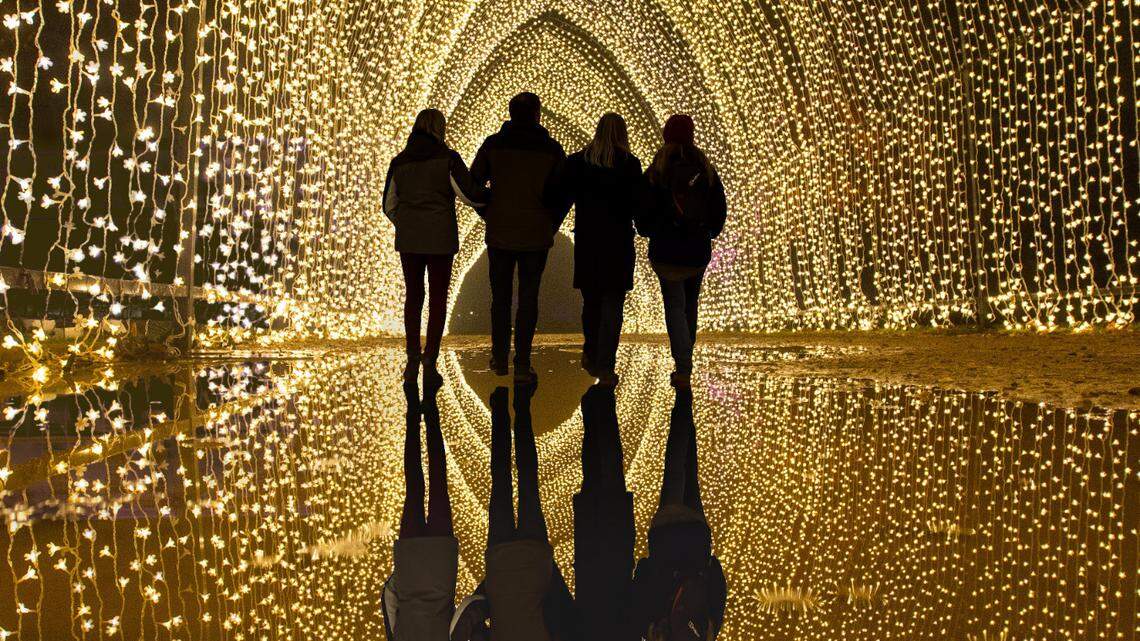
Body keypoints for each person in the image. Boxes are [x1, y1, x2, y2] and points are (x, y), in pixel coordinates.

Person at [450, 386, 578, 641]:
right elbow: (476, 633)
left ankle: (521, 405)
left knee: (528, 483)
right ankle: (500, 408)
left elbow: (564, 616)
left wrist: (549, 569)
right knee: (501, 484)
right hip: (503, 571)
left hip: (533, 563)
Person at [471, 93, 568, 385]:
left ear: (511, 114)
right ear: (538, 115)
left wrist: (489, 211)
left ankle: (500, 358)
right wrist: (551, 222)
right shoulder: (551, 149)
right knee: (528, 297)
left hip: (500, 232)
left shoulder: (493, 145)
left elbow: (473, 183)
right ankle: (523, 362)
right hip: (536, 233)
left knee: (499, 296)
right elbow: (562, 192)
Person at [384, 108, 485, 387]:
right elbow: (468, 195)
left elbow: (389, 204)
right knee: (438, 298)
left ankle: (412, 354)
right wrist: (492, 199)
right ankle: (431, 357)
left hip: (410, 240)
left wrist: (407, 222)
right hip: (440, 239)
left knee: (414, 295)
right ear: (439, 129)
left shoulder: (399, 162)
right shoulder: (447, 159)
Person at [544, 114, 643, 387]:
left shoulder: (578, 162)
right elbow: (638, 206)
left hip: (589, 242)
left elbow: (561, 198)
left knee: (592, 301)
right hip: (618, 243)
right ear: (622, 134)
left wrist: (549, 226)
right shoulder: (629, 165)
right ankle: (606, 363)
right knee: (613, 303)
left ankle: (591, 351)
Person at [637, 115, 727, 389]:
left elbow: (643, 209)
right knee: (690, 303)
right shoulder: (705, 168)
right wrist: (708, 232)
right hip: (696, 250)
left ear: (666, 135)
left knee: (674, 305)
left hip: (666, 250)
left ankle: (683, 365)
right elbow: (718, 208)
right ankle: (685, 359)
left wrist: (649, 230)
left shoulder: (657, 168)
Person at [632, 389, 726, 641]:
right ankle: (681, 399)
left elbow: (717, 582)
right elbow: (641, 575)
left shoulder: (705, 636)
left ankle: (685, 400)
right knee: (674, 470)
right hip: (666, 533)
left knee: (689, 469)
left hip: (695, 538)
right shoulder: (652, 634)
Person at [382, 382, 459, 641]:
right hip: (412, 563)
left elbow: (462, 619)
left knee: (437, 483)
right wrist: (403, 574)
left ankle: (430, 410)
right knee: (414, 486)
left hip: (440, 563)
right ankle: (414, 410)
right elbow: (389, 601)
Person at [574, 385, 636, 641]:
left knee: (609, 470)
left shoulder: (627, 634)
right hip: (592, 550)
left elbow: (638, 599)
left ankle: (603, 403)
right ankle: (592, 408)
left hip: (616, 549)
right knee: (593, 471)